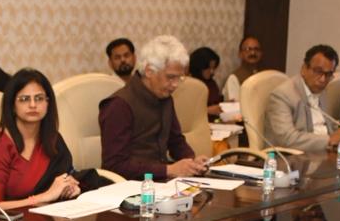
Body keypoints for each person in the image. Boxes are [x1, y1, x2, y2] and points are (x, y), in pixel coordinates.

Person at [99, 35, 209, 180]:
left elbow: (175, 141)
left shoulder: (164, 96)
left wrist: (192, 162)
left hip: (162, 182)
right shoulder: (118, 105)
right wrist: (168, 170)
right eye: (171, 77)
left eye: (179, 78)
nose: (175, 85)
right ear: (149, 71)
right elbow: (115, 166)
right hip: (132, 186)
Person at [0, 68, 81, 210]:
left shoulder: (53, 139)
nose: (33, 105)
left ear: (48, 103)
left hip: (53, 215)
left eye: (39, 98)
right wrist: (43, 197)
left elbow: (64, 178)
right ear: (12, 105)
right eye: (24, 99)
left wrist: (68, 188)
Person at [265, 45, 340, 152]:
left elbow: (327, 128)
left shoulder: (323, 92)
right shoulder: (283, 95)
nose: (323, 79)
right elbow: (287, 139)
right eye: (318, 71)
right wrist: (329, 140)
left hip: (323, 152)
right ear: (304, 68)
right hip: (292, 157)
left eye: (328, 74)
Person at [223, 36, 263, 102]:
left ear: (261, 53)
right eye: (248, 49)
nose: (253, 53)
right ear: (240, 54)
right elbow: (234, 106)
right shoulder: (234, 78)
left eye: (256, 49)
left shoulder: (265, 76)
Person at [188, 46, 224, 118]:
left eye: (213, 68)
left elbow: (216, 103)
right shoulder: (189, 84)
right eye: (208, 68)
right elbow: (185, 112)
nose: (212, 71)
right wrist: (207, 110)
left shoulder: (211, 83)